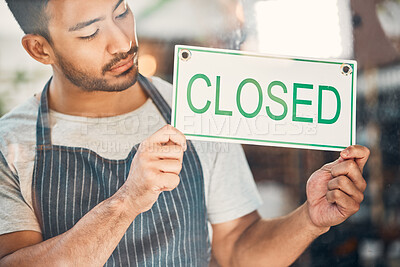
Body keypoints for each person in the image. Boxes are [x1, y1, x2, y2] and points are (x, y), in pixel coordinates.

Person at [0, 0, 370, 266]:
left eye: (122, 12)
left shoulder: (197, 109)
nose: (122, 42)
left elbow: (238, 251)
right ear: (40, 48)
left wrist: (309, 219)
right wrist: (128, 201)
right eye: (91, 32)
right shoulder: (9, 145)